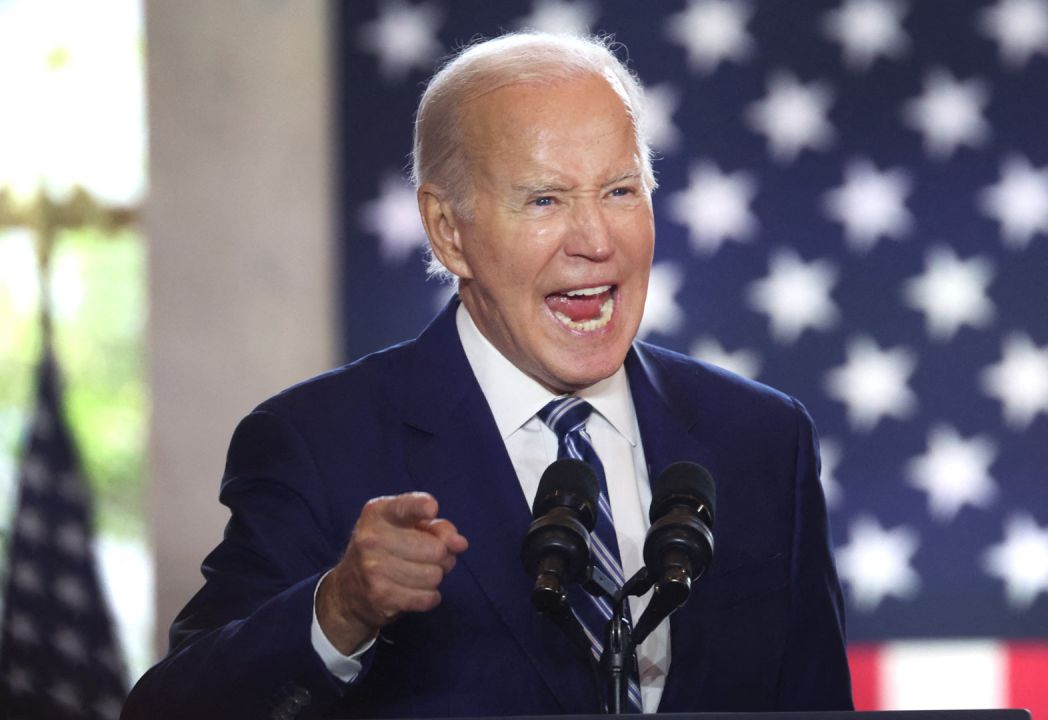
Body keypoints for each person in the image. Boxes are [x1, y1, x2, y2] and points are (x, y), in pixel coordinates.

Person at [123, 32, 852, 719]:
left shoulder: (763, 439)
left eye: (621, 191)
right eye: (545, 200)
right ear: (448, 230)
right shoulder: (318, 445)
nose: (596, 240)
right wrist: (339, 610)